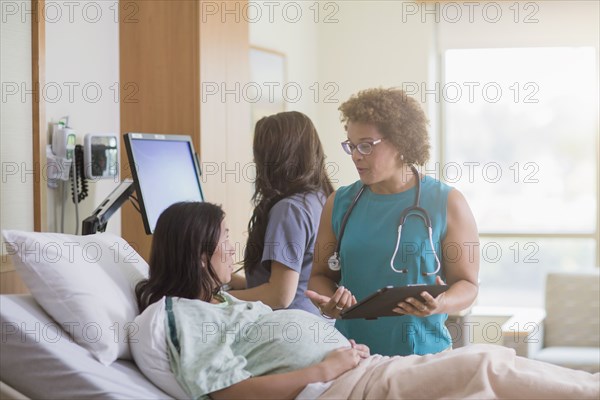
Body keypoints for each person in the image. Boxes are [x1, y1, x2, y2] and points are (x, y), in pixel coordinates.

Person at [134, 201, 598, 400]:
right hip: (341, 388)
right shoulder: (179, 316)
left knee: (488, 366)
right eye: (225, 241)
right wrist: (324, 368)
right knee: (485, 367)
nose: (232, 250)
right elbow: (228, 392)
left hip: (361, 370)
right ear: (196, 254)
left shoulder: (224, 303)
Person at [306, 87, 480, 356]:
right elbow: (320, 276)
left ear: (401, 142)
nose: (355, 155)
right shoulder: (339, 203)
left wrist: (441, 303)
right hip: (352, 356)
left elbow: (467, 286)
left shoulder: (447, 202)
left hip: (424, 358)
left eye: (365, 145)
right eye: (350, 145)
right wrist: (330, 301)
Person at [227, 111, 334, 316]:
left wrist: (216, 299)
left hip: (289, 326)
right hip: (316, 323)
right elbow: (294, 280)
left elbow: (279, 295)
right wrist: (232, 282)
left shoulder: (290, 209)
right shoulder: (320, 197)